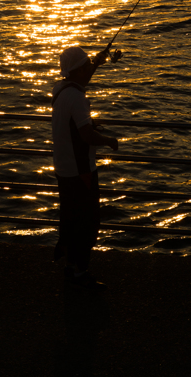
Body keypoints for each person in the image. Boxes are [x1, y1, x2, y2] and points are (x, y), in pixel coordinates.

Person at [52, 44, 120, 289]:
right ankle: (81, 273)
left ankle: (70, 267)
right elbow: (86, 135)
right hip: (81, 170)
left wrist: (98, 64)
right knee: (87, 223)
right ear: (79, 70)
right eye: (87, 65)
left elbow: (79, 82)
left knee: (70, 220)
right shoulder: (78, 98)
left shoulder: (60, 89)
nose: (89, 68)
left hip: (63, 167)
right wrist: (110, 141)